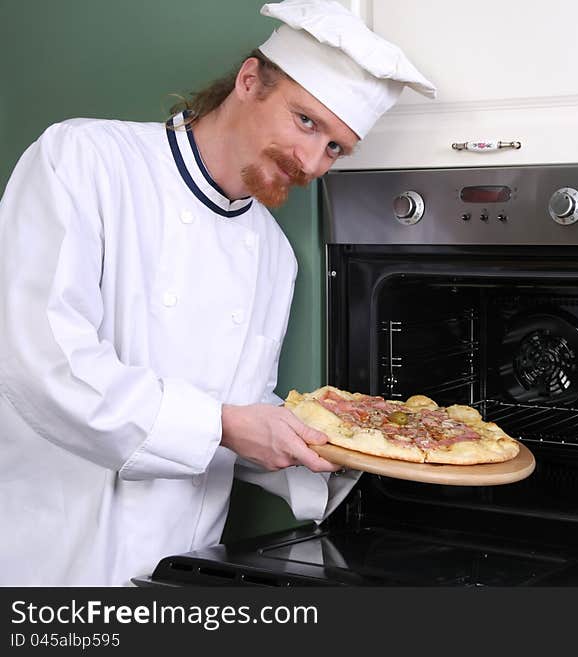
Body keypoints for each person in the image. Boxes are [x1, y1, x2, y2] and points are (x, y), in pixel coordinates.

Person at [0, 0, 435, 586]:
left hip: (180, 572)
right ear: (249, 82)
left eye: (335, 147)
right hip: (52, 558)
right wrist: (224, 425)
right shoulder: (84, 160)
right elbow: (41, 366)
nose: (310, 160)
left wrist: (350, 447)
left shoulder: (275, 256)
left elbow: (240, 411)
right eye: (306, 121)